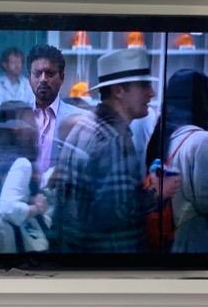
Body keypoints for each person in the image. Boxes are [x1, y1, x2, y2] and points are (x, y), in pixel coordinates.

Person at [48, 47, 168, 254]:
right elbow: (115, 213)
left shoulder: (85, 125)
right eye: (144, 85)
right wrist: (157, 192)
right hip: (109, 259)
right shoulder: (115, 138)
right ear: (119, 91)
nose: (152, 93)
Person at [0, 102, 49, 252]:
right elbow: (8, 207)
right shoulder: (21, 162)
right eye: (31, 122)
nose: (35, 128)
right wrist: (36, 208)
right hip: (9, 241)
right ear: (16, 128)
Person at [155, 69, 208, 254]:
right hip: (196, 240)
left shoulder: (167, 135)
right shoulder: (204, 140)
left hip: (173, 238)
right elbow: (206, 203)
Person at [26, 44, 81, 180]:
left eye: (50, 73)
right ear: (29, 78)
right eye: (37, 74)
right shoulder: (20, 118)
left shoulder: (78, 120)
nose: (43, 79)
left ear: (62, 77)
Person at [0, 46, 35, 112]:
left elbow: (33, 106)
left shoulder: (28, 83)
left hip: (24, 121)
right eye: (13, 62)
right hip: (2, 120)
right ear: (4, 64)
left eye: (19, 62)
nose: (17, 66)